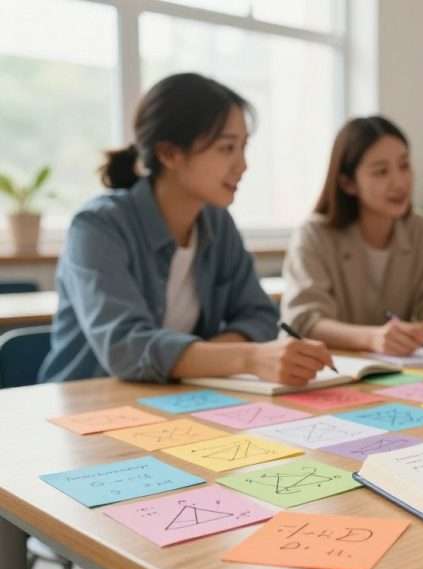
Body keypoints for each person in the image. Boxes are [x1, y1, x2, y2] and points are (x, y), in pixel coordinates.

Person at [39, 72, 332, 386]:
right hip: (84, 408)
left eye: (244, 147)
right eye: (226, 148)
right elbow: (126, 347)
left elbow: (259, 315)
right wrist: (247, 357)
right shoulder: (97, 226)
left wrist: (200, 358)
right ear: (169, 154)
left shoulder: (218, 224)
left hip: (176, 401)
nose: (243, 165)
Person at [280, 116, 423, 356]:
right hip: (330, 371)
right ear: (348, 183)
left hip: (401, 372)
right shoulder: (313, 235)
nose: (399, 182)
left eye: (404, 166)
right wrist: (372, 338)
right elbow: (304, 320)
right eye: (381, 172)